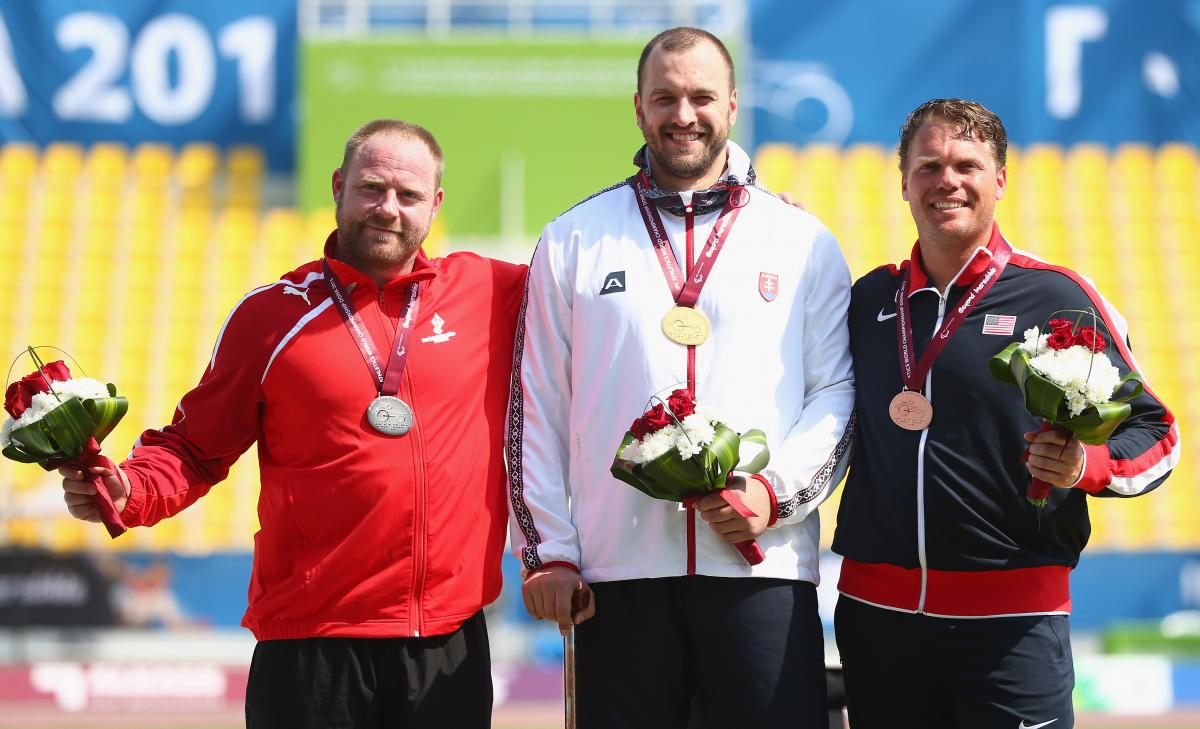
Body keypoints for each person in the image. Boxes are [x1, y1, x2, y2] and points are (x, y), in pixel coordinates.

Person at [59, 119, 526, 728]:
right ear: (338, 187)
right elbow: (193, 449)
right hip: (310, 645)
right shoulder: (270, 316)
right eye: (371, 188)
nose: (388, 209)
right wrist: (133, 488)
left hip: (446, 639)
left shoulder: (492, 291)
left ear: (434, 204)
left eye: (408, 196)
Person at [508, 27, 856, 728]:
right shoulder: (573, 237)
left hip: (761, 566)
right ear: (638, 107)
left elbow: (837, 393)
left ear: (732, 102)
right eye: (665, 97)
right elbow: (536, 405)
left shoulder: (802, 240)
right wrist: (549, 551)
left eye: (701, 96)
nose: (683, 114)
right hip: (615, 576)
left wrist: (772, 494)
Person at [832, 98, 1180, 729]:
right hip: (876, 618)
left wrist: (1088, 466)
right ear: (904, 179)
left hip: (1010, 626)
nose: (948, 181)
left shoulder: (1055, 295)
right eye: (929, 165)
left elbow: (1157, 432)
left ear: (1000, 180)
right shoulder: (870, 298)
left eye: (967, 164)